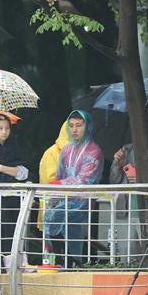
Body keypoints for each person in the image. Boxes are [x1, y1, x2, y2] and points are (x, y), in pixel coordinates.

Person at [43, 110, 103, 266]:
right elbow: (59, 175)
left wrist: (59, 185)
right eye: (71, 126)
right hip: (64, 199)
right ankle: (61, 259)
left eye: (79, 125)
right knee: (50, 215)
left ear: (87, 126)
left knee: (63, 221)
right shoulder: (66, 149)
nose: (74, 130)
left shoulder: (94, 151)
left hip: (82, 200)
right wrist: (54, 197)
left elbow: (84, 180)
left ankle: (72, 261)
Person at [0, 114, 29, 259]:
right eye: (0, 128)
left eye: (7, 128)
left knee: (14, 230)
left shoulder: (14, 145)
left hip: (13, 196)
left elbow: (23, 172)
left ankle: (13, 263)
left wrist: (0, 167)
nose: (4, 132)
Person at [37, 121, 68, 232]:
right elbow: (52, 180)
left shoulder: (77, 154)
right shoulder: (52, 153)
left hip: (68, 212)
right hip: (52, 211)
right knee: (52, 246)